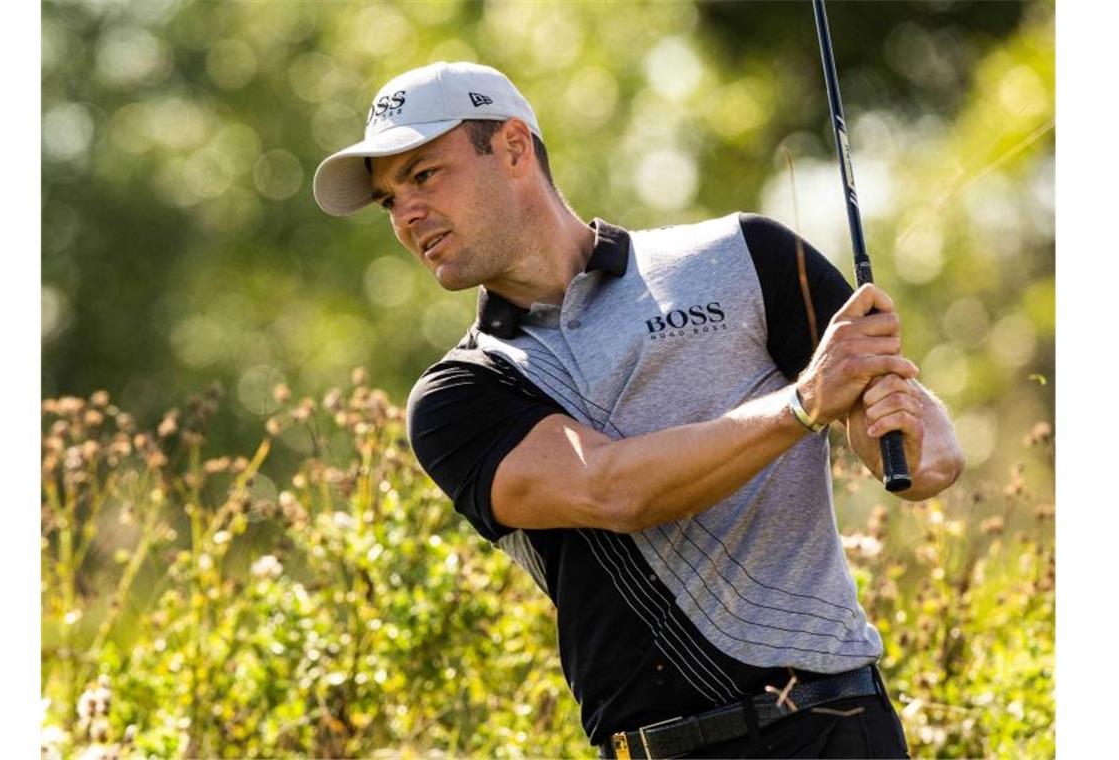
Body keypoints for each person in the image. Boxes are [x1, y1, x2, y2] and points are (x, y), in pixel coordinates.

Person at [313, 61, 964, 759]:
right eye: (388, 201)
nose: (406, 215)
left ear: (510, 147)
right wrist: (804, 403)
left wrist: (902, 430)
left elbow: (925, 458)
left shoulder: (745, 255)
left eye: (422, 175)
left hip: (834, 729)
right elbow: (613, 488)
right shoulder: (459, 393)